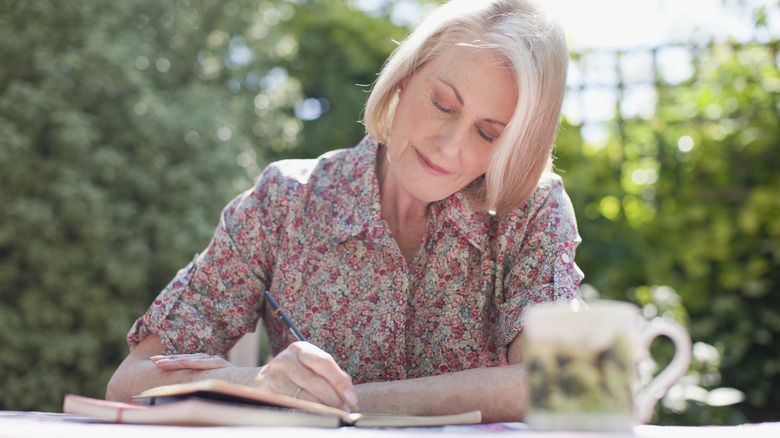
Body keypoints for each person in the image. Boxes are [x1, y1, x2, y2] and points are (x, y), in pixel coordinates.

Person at [106, 0, 583, 423]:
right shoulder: (285, 201)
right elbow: (132, 380)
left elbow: (561, 382)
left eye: (488, 134)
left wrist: (349, 401)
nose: (450, 146)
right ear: (403, 79)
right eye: (442, 104)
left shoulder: (532, 211)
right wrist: (255, 385)